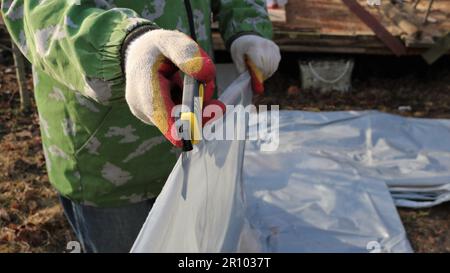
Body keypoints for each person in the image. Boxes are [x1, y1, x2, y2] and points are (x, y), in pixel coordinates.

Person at [1, 0, 281, 252]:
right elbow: (32, 7)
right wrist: (124, 46)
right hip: (108, 164)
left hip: (198, 142)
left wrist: (248, 27)